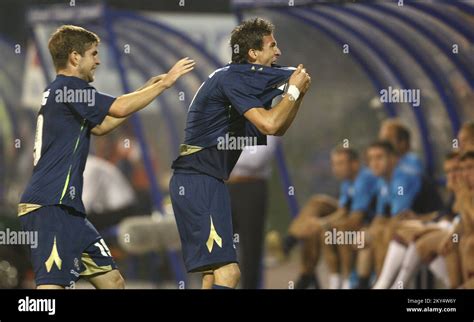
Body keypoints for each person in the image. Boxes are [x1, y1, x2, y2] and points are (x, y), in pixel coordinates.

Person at [18, 25, 195, 289]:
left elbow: (103, 125)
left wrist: (144, 90)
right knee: (51, 287)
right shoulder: (69, 88)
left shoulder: (63, 92)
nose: (98, 60)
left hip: (70, 211)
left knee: (113, 282)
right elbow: (120, 106)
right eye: (93, 54)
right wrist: (166, 83)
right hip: (49, 206)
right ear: (75, 57)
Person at [169, 18, 311, 289]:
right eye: (273, 45)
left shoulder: (237, 78)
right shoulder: (234, 79)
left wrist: (297, 93)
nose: (278, 52)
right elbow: (269, 123)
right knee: (230, 273)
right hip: (198, 181)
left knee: (212, 275)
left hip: (205, 180)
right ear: (253, 54)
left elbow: (276, 128)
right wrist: (293, 89)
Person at [284, 147, 378, 289]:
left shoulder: (364, 179)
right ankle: (333, 281)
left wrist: (321, 224)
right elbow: (343, 211)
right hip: (356, 223)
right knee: (318, 205)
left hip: (371, 225)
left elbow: (356, 218)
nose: (335, 168)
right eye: (334, 164)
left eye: (340, 163)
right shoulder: (347, 182)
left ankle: (345, 282)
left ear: (355, 164)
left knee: (336, 229)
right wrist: (321, 224)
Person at [226, 135, 280, 289]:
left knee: (250, 247)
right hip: (225, 187)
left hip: (251, 187)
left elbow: (257, 159)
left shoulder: (267, 123)